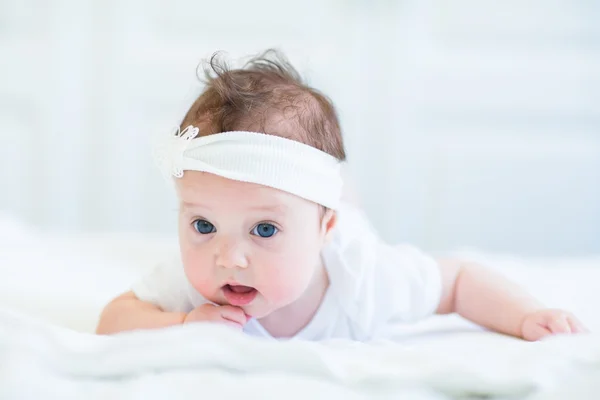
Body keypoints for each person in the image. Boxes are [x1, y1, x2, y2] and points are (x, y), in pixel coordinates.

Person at [96, 49, 587, 341]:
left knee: (345, 211)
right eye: (202, 225)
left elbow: (457, 281)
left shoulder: (366, 280)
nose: (230, 259)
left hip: (341, 229)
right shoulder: (192, 282)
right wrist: (182, 326)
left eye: (264, 229)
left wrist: (527, 316)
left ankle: (340, 202)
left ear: (322, 231)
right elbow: (113, 318)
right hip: (319, 214)